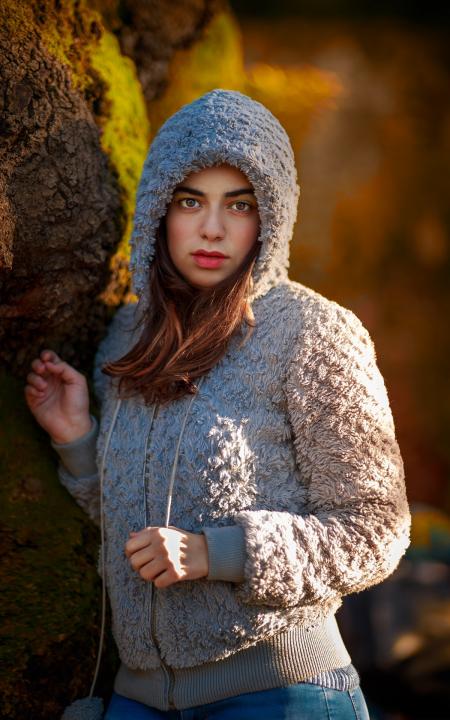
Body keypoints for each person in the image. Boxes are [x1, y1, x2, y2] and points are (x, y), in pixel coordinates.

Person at [24, 89, 411, 720]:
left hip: (281, 691)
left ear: (272, 217)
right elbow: (131, 524)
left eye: (240, 205)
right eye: (189, 201)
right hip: (138, 697)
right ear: (157, 211)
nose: (211, 228)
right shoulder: (126, 336)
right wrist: (78, 440)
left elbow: (377, 530)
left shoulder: (311, 332)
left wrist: (217, 553)